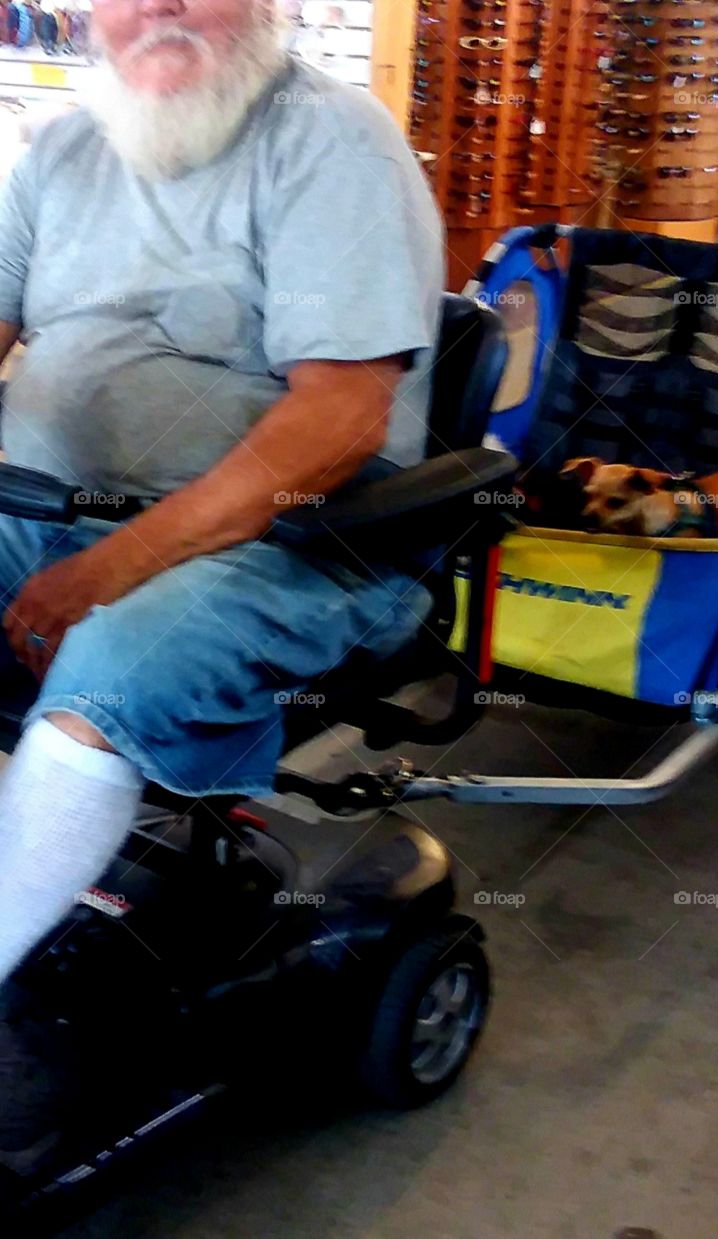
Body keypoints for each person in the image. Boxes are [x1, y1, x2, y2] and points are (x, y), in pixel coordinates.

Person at [0, 0, 443, 983]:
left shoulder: (330, 144)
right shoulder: (61, 153)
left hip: (297, 549)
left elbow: (339, 420)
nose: (159, 4)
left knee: (112, 665)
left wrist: (109, 568)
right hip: (49, 516)